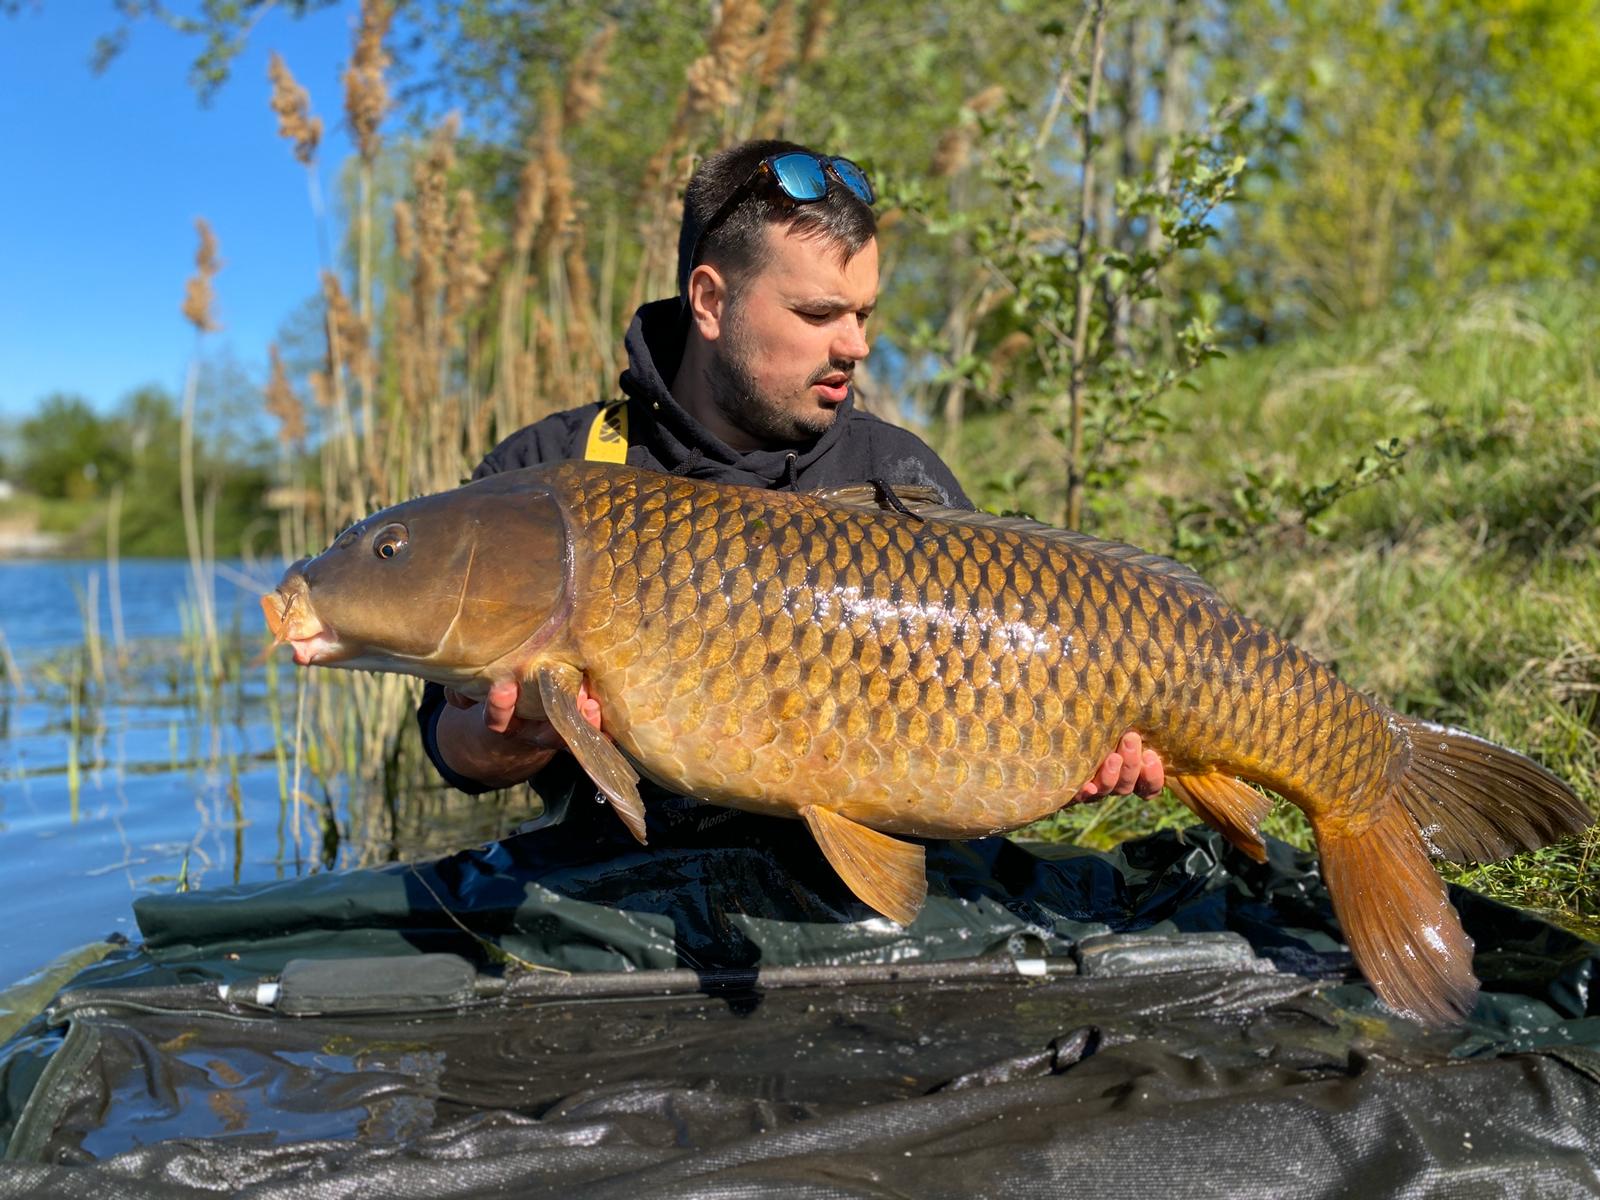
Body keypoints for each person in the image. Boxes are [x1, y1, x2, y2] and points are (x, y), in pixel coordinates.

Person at [416, 138, 1163, 839]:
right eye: (818, 313)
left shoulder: (898, 472)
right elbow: (450, 744)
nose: (856, 345)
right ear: (710, 301)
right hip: (614, 889)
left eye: (863, 313)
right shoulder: (552, 474)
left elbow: (980, 738)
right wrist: (511, 736)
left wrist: (1058, 756)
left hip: (851, 890)